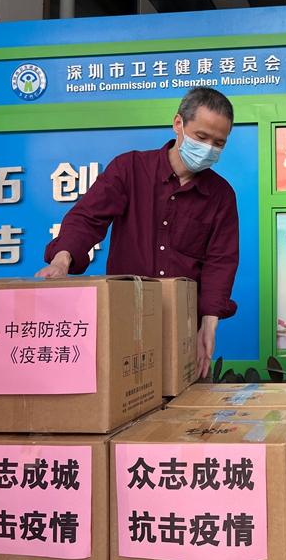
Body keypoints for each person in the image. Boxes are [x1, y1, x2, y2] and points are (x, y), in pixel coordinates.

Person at [37, 87, 239, 380]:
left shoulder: (221, 195)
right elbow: (88, 217)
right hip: (125, 323)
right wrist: (62, 259)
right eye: (201, 137)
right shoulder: (130, 169)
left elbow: (221, 262)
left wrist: (208, 325)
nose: (209, 148)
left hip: (184, 330)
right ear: (178, 123)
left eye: (219, 143)